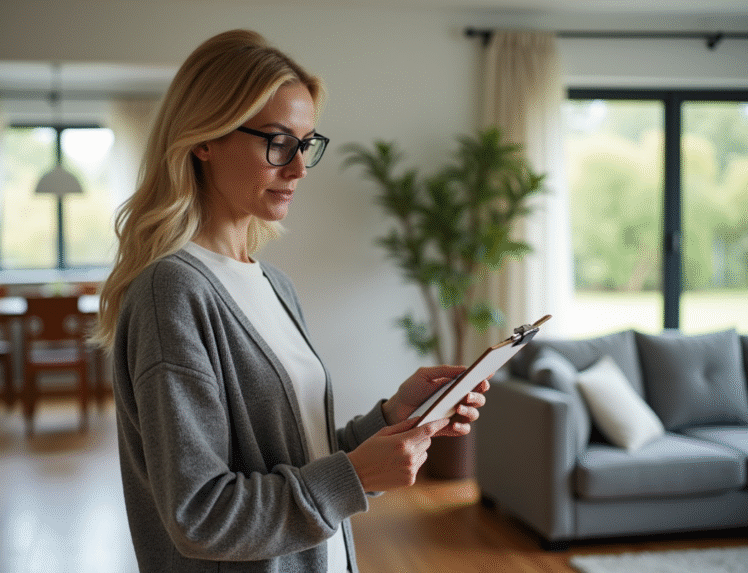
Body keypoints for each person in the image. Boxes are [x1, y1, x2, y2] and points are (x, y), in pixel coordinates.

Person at [93, 29, 489, 573]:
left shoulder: (274, 284)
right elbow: (199, 515)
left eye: (305, 144)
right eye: (277, 142)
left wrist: (392, 417)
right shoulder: (172, 292)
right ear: (204, 139)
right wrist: (355, 477)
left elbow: (300, 458)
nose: (299, 168)